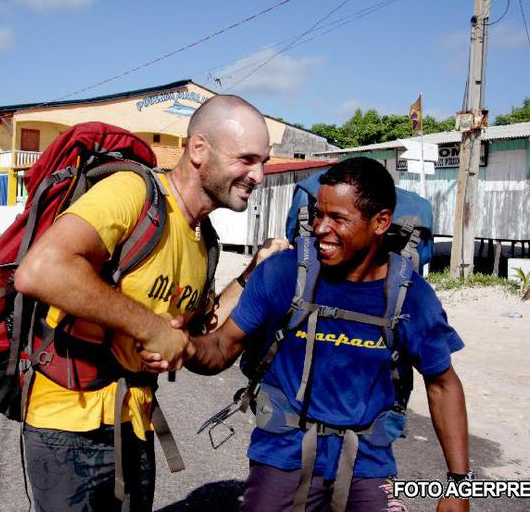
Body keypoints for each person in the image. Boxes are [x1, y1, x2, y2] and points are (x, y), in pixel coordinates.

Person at [13, 94, 277, 511]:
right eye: (246, 159)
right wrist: (150, 327)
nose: (259, 175)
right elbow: (41, 270)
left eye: (264, 161)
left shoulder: (204, 242)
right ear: (198, 149)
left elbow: (196, 338)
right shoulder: (134, 192)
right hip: (68, 421)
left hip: (136, 421)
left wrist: (252, 275)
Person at [182, 157, 470, 512]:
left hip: (368, 463)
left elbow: (443, 384)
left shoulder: (411, 295)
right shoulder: (283, 274)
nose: (320, 228)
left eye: (338, 218)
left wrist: (459, 485)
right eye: (319, 213)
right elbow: (223, 345)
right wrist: (184, 346)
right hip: (283, 455)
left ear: (381, 222)